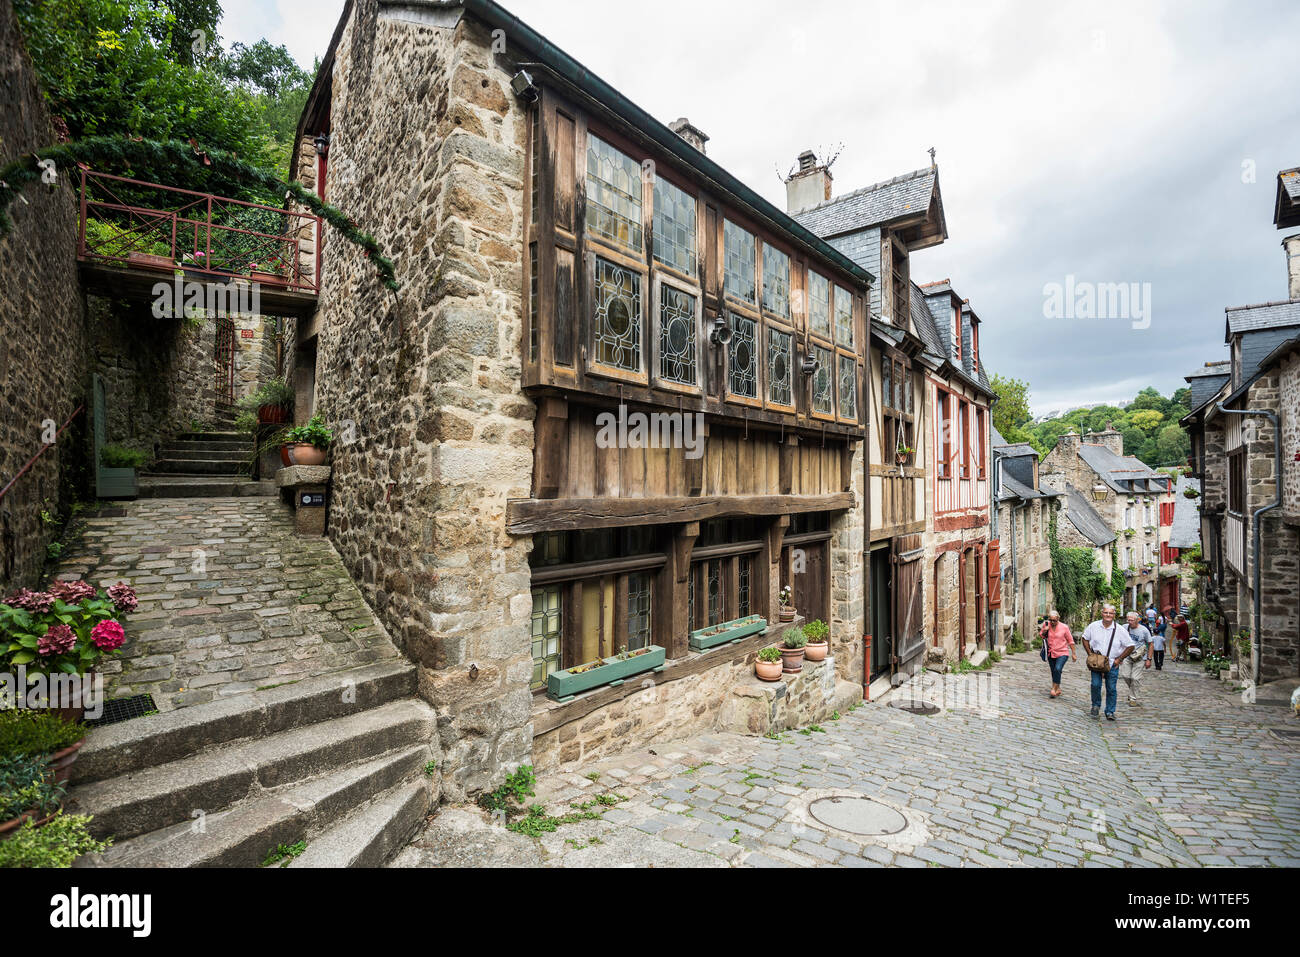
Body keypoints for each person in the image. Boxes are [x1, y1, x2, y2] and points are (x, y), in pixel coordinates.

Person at [1081, 603, 1136, 720]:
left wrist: (1119, 659)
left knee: (1111, 688)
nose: (1108, 615)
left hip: (1112, 663)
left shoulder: (1120, 630)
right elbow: (1084, 638)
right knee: (1095, 685)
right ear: (1102, 613)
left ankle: (1110, 711)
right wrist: (1090, 654)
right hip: (1096, 662)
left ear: (1114, 615)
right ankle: (1095, 706)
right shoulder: (1093, 626)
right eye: (1106, 612)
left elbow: (1130, 646)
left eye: (1110, 613)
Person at [1038, 609, 1076, 698]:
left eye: (1054, 620)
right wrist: (1045, 630)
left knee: (1058, 669)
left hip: (1062, 652)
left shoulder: (1064, 627)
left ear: (1058, 619)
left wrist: (1073, 653)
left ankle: (1053, 689)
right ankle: (1057, 688)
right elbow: (1042, 636)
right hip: (1051, 652)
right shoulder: (1046, 625)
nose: (1052, 622)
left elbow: (1070, 641)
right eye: (1050, 620)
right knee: (1053, 671)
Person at [1122, 611, 1153, 706]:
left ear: (1137, 620)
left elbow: (1151, 644)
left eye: (1132, 620)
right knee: (1126, 676)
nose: (1130, 622)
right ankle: (1132, 691)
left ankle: (1133, 698)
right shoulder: (1124, 627)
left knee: (1135, 678)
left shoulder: (1144, 630)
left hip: (1140, 657)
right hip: (1127, 656)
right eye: (1129, 620)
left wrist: (1149, 659)